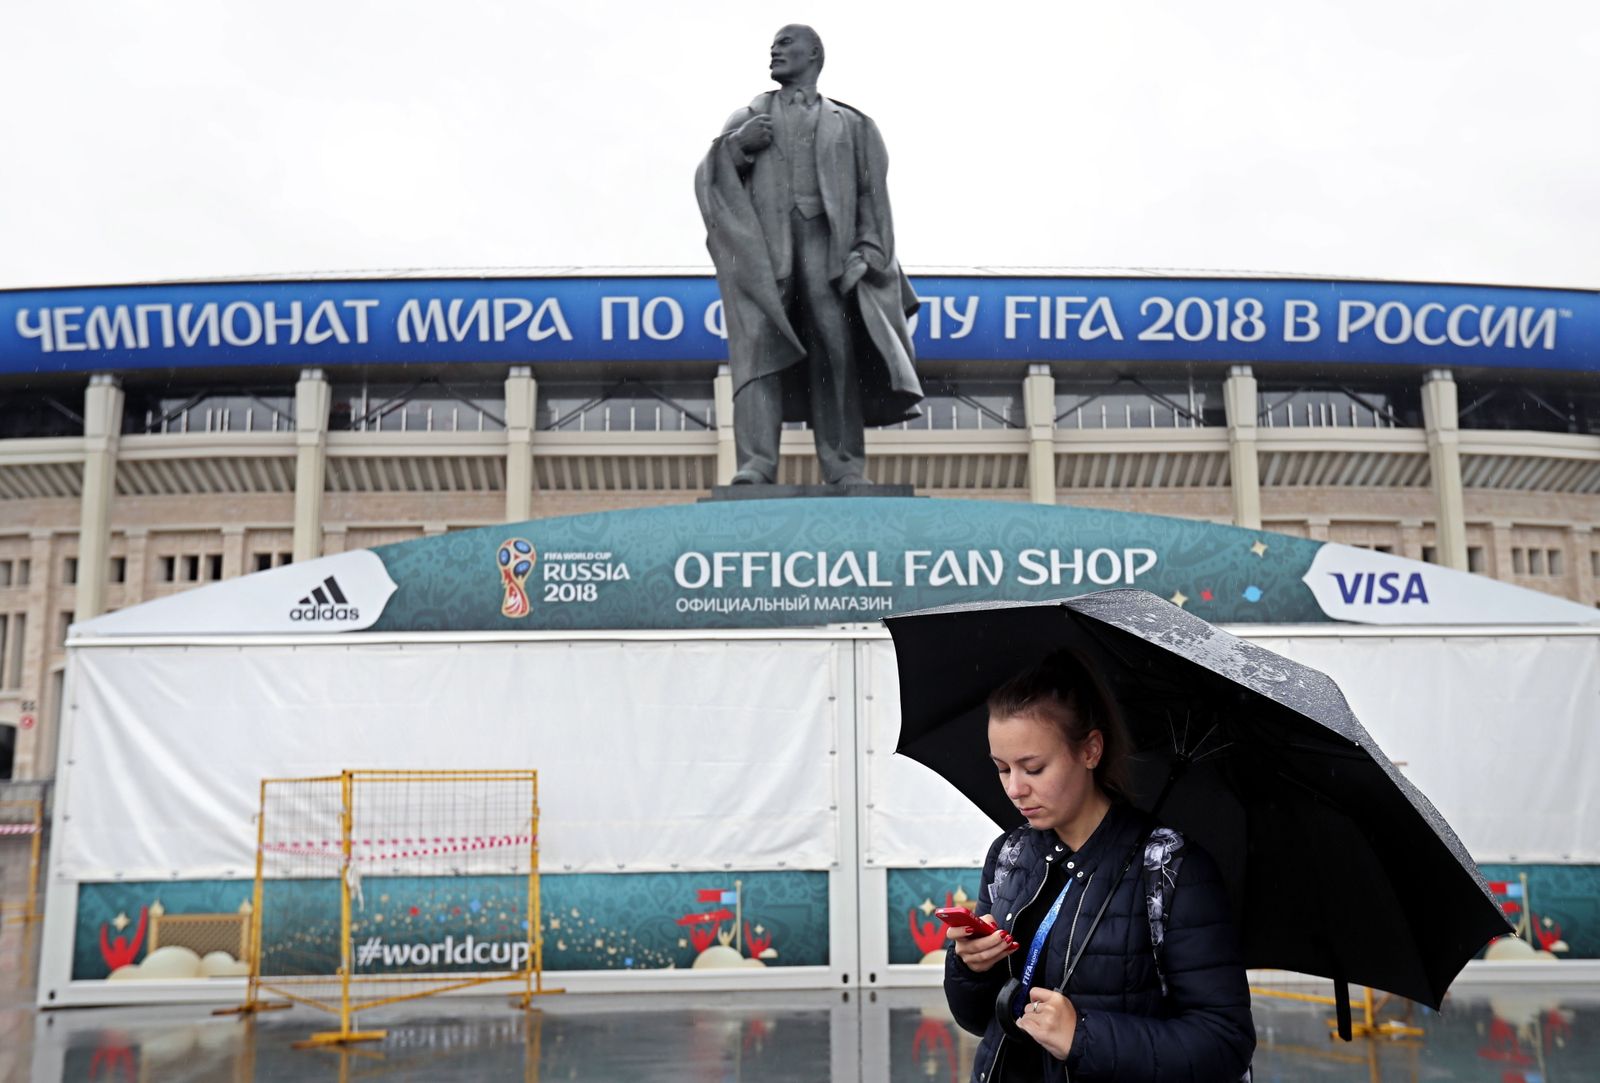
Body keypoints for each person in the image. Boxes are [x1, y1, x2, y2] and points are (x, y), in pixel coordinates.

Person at [944, 650, 1255, 1082]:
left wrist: (1084, 1036)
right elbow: (978, 1019)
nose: (1015, 788)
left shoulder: (1169, 869)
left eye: (1033, 767)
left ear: (1090, 750)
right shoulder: (1010, 854)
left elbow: (1224, 1044)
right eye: (1002, 768)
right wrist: (970, 967)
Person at [694, 24, 923, 485]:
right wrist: (738, 147)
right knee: (757, 352)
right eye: (772, 46)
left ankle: (843, 466)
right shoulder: (747, 117)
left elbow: (873, 199)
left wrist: (869, 252)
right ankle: (756, 463)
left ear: (814, 53)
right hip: (763, 255)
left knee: (834, 352)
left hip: (829, 253)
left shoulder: (853, 125)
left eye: (785, 44)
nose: (774, 51)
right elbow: (710, 182)